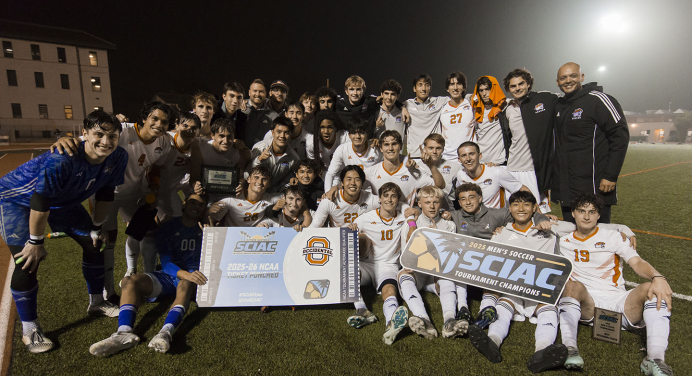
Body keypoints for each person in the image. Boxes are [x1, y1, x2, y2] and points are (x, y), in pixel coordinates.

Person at [0, 111, 128, 353]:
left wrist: (97, 227)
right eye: (98, 134)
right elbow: (40, 200)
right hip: (17, 200)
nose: (105, 141)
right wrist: (35, 242)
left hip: (59, 201)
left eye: (112, 135)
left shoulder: (118, 156)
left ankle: (97, 302)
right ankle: (30, 329)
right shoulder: (62, 158)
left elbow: (105, 193)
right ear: (85, 134)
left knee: (93, 243)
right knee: (26, 260)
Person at [51, 102, 175, 300]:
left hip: (134, 194)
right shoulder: (123, 130)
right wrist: (66, 139)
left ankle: (146, 276)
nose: (159, 124)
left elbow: (156, 169)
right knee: (107, 241)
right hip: (104, 194)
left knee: (147, 232)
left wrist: (153, 188)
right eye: (155, 118)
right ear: (144, 118)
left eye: (165, 121)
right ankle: (108, 292)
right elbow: (87, 139)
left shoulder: (165, 143)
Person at [557, 193, 672, 375]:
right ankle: (569, 349)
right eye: (581, 211)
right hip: (587, 304)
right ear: (573, 213)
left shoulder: (614, 237)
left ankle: (655, 359)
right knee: (572, 286)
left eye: (592, 212)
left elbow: (636, 262)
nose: (586, 216)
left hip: (619, 302)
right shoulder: (562, 241)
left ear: (599, 215)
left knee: (654, 289)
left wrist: (658, 277)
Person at [89, 194, 208, 357]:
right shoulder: (169, 226)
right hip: (169, 274)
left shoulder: (207, 229)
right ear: (184, 204)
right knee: (129, 281)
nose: (196, 207)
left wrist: (211, 229)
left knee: (185, 283)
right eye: (192, 202)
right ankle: (124, 332)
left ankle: (165, 333)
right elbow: (166, 263)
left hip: (193, 278)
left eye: (201, 205)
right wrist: (184, 273)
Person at [449, 183, 554, 333]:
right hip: (470, 270)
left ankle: (485, 312)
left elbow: (524, 212)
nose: (468, 202)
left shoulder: (497, 214)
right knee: (457, 266)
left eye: (472, 197)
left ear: (480, 198)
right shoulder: (454, 215)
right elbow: (431, 213)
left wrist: (542, 218)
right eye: (463, 199)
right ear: (459, 202)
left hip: (488, 269)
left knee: (493, 270)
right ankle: (463, 309)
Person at [553, 62, 629, 223]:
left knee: (597, 236)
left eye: (573, 76)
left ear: (582, 77)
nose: (568, 80)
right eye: (563, 78)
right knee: (570, 235)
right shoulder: (560, 105)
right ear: (558, 82)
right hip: (568, 186)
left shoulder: (598, 100)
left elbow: (620, 136)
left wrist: (610, 175)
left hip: (594, 185)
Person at [347, 182, 415, 345]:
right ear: (380, 198)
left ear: (398, 199)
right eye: (386, 196)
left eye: (393, 196)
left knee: (390, 289)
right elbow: (348, 233)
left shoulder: (402, 217)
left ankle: (390, 323)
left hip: (388, 265)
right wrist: (351, 229)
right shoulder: (366, 218)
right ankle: (362, 310)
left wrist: (413, 214)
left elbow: (413, 219)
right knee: (349, 272)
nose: (389, 200)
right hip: (367, 264)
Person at [397, 186, 468, 340]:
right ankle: (423, 318)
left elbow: (449, 257)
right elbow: (407, 256)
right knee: (403, 276)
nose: (432, 206)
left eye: (435, 202)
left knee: (447, 276)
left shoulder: (449, 225)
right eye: (427, 202)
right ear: (419, 204)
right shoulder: (411, 225)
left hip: (436, 272)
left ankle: (449, 320)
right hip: (419, 273)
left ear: (441, 203)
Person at [498, 68, 558, 213]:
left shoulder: (545, 99)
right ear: (508, 89)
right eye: (513, 86)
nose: (518, 88)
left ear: (528, 84)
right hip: (513, 168)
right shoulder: (508, 109)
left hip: (534, 169)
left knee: (539, 212)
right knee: (515, 211)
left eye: (521, 84)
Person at [363, 130, 444, 205]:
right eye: (386, 144)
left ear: (401, 146)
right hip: (380, 219)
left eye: (394, 144)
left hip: (406, 219)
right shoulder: (370, 172)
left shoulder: (413, 171)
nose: (390, 148)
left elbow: (440, 186)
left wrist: (431, 165)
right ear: (381, 148)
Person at [451, 141, 530, 209]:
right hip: (474, 220)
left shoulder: (496, 172)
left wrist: (538, 216)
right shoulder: (461, 175)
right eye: (464, 155)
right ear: (459, 159)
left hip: (496, 220)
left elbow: (523, 190)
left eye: (471, 154)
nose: (468, 158)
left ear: (480, 155)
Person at [189, 118, 250, 204]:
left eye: (229, 137)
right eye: (221, 136)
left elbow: (240, 176)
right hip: (205, 195)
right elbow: (193, 178)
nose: (225, 141)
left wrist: (241, 184)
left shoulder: (239, 151)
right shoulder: (201, 150)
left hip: (229, 197)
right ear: (212, 135)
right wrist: (195, 186)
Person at [323, 118, 382, 191]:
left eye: (361, 133)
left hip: (372, 189)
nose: (357, 136)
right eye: (354, 133)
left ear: (367, 135)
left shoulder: (376, 149)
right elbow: (331, 173)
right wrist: (327, 192)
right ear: (349, 135)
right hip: (352, 189)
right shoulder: (342, 149)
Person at [208, 166, 279, 227]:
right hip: (231, 237)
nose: (259, 182)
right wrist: (209, 211)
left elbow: (287, 196)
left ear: (269, 184)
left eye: (264, 179)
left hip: (255, 237)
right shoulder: (232, 199)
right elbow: (210, 220)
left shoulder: (270, 198)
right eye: (256, 177)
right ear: (248, 179)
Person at [250, 117, 302, 192]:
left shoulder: (294, 158)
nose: (282, 136)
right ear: (272, 132)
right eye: (279, 132)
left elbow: (290, 179)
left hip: (273, 194)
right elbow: (247, 174)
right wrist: (259, 159)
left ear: (290, 134)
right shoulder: (259, 148)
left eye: (286, 132)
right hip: (254, 191)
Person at [404, 74, 449, 157]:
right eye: (420, 85)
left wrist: (470, 96)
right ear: (414, 88)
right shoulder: (407, 104)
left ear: (430, 88)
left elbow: (458, 98)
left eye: (427, 85)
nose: (423, 89)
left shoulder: (438, 102)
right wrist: (402, 107)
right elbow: (387, 102)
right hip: (415, 155)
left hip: (434, 155)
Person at [415, 133, 462, 208]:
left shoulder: (456, 167)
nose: (434, 151)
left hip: (448, 207)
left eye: (438, 148)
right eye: (431, 148)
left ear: (443, 149)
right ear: (425, 149)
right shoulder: (417, 167)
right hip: (424, 208)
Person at [438, 72, 476, 161]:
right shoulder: (442, 108)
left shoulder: (471, 105)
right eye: (452, 84)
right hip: (447, 157)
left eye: (459, 84)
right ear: (447, 88)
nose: (455, 88)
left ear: (463, 87)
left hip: (468, 157)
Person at [472, 76, 507, 165]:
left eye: (487, 89)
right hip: (480, 161)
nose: (484, 93)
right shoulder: (476, 110)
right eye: (481, 90)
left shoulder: (506, 107)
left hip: (498, 162)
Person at [242, 79, 279, 147]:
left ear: (265, 94)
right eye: (255, 91)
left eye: (261, 91)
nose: (257, 94)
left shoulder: (274, 116)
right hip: (240, 153)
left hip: (262, 154)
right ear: (249, 92)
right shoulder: (240, 108)